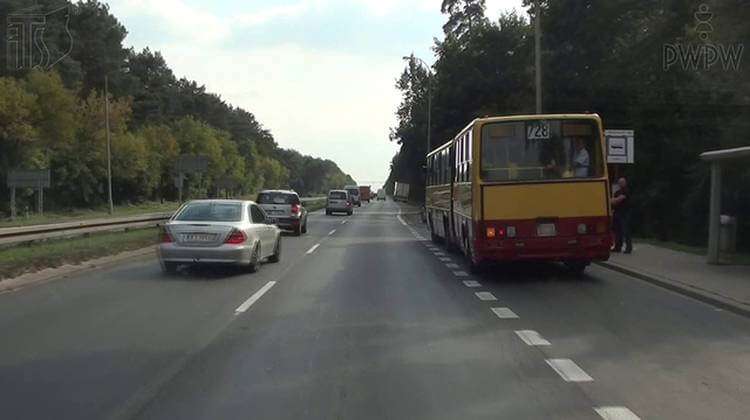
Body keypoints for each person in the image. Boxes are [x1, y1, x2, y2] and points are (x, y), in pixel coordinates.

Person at [611, 177, 632, 253]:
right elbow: (613, 202)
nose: (621, 183)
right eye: (620, 182)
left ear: (625, 183)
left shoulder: (626, 191)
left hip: (625, 213)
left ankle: (628, 248)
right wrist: (614, 201)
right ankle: (617, 247)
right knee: (617, 231)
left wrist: (614, 200)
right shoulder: (617, 192)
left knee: (626, 231)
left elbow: (618, 199)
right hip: (617, 213)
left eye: (622, 182)